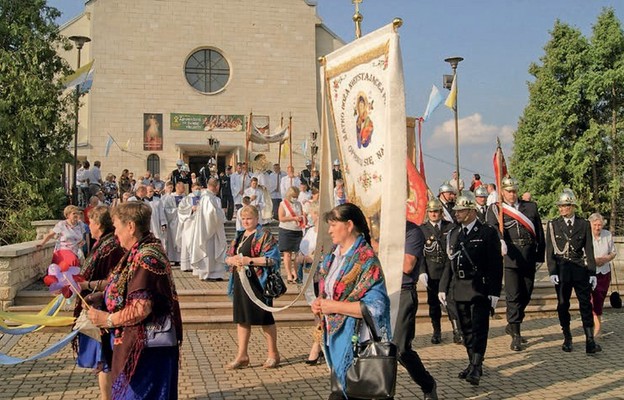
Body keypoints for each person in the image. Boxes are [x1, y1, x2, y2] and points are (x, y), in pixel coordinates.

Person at [87, 201, 182, 399]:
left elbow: (141, 309)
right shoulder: (137, 251)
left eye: (117, 227)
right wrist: (96, 292)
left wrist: (108, 320)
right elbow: (120, 284)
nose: (115, 234)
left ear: (130, 226)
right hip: (139, 345)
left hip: (148, 350)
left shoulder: (147, 257)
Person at [310, 203, 390, 399]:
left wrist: (333, 306)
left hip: (358, 345)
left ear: (349, 225)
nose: (329, 230)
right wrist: (320, 303)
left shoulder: (366, 260)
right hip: (335, 339)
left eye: (333, 225)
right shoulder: (332, 258)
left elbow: (376, 307)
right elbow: (328, 291)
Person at [439, 193, 503, 386]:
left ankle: (476, 365)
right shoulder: (455, 234)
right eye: (456, 211)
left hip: (479, 288)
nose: (456, 214)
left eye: (461, 210)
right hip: (459, 288)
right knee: (466, 329)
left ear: (472, 211)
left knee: (479, 329)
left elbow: (495, 264)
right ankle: (471, 362)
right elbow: (449, 263)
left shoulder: (487, 232)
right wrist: (443, 287)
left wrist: (494, 292)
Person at [486, 176, 545, 351]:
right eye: (508, 191)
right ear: (502, 192)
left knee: (526, 293)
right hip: (511, 257)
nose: (512, 195)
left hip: (528, 255)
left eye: (514, 191)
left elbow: (539, 233)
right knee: (513, 295)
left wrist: (540, 256)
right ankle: (516, 333)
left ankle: (513, 323)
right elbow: (492, 228)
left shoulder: (530, 207)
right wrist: (500, 241)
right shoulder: (496, 209)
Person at [74, 206, 125, 400]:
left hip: (106, 309)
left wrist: (87, 284)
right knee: (103, 360)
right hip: (98, 306)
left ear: (99, 225)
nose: (89, 226)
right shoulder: (101, 244)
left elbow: (115, 280)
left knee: (106, 360)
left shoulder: (111, 247)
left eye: (91, 223)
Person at [224, 205, 282, 369]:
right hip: (241, 282)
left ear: (257, 219)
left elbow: (273, 259)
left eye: (249, 218)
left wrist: (249, 260)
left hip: (259, 283)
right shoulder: (240, 235)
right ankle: (242, 355)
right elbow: (228, 255)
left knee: (265, 318)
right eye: (243, 218)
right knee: (242, 318)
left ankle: (273, 354)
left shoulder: (264, 235)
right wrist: (231, 260)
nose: (245, 221)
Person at [546, 189, 601, 354]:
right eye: (561, 206)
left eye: (565, 206)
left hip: (579, 269)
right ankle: (567, 337)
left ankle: (590, 340)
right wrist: (552, 271)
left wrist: (592, 273)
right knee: (563, 305)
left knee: (585, 304)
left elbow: (589, 250)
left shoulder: (583, 224)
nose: (562, 209)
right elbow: (550, 251)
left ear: (572, 206)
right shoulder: (553, 225)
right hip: (562, 270)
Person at [395, 219, 438, 399]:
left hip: (403, 293)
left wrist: (377, 245)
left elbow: (407, 265)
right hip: (378, 292)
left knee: (400, 349)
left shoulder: (412, 231)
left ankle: (427, 384)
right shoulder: (376, 228)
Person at [419, 199, 461, 345]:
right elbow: (420, 253)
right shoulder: (422, 229)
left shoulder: (450, 227)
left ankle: (457, 330)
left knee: (452, 301)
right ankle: (437, 331)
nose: (433, 214)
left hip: (447, 269)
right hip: (432, 271)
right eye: (431, 212)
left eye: (436, 211)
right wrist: (422, 271)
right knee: (434, 304)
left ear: (441, 213)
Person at [295, 202, 323, 364]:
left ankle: (316, 346)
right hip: (309, 274)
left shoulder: (327, 233)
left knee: (321, 312)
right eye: (313, 213)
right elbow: (301, 254)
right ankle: (317, 344)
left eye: (315, 213)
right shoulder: (309, 232)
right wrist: (302, 258)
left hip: (322, 276)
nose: (313, 216)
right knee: (316, 312)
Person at [190, 178, 227, 281]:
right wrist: (221, 215)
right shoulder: (207, 198)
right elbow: (210, 214)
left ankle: (216, 273)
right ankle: (207, 273)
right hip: (208, 231)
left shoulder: (210, 197)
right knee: (209, 251)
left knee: (214, 251)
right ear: (216, 186)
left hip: (212, 230)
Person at [588, 212, 616, 337]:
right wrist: (593, 260)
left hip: (604, 272)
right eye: (595, 225)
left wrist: (605, 259)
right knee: (591, 299)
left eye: (599, 225)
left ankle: (597, 323)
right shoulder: (586, 235)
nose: (597, 227)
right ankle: (597, 326)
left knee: (600, 298)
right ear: (591, 224)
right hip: (589, 272)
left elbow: (613, 252)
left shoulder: (607, 235)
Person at [278, 186, 305, 284]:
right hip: (286, 230)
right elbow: (281, 218)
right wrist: (293, 218)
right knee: (287, 254)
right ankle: (289, 274)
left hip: (297, 230)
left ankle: (295, 272)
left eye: (297, 196)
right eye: (294, 196)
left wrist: (301, 218)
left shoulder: (298, 204)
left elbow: (301, 214)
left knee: (298, 254)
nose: (295, 198)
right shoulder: (283, 204)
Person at [177, 183, 202, 273]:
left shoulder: (203, 198)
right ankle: (186, 265)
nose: (198, 190)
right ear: (192, 189)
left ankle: (195, 264)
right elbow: (180, 210)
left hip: (199, 225)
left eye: (199, 188)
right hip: (189, 224)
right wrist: (191, 209)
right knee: (187, 243)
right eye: (196, 188)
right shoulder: (186, 199)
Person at [161, 181, 182, 266]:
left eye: (171, 187)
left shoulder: (174, 196)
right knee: (169, 240)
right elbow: (164, 210)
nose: (170, 189)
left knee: (176, 239)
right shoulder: (163, 198)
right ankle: (169, 258)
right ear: (165, 188)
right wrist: (175, 210)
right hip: (169, 221)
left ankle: (177, 259)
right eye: (169, 187)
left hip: (176, 221)